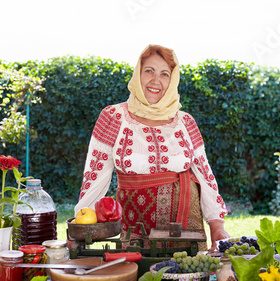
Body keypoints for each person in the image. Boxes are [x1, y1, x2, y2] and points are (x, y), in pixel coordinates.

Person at [74, 44, 230, 251]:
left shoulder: (186, 121)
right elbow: (94, 177)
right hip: (136, 228)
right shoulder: (113, 117)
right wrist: (78, 230)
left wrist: (217, 227)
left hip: (186, 227)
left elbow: (204, 175)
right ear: (137, 74)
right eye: (149, 71)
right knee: (138, 279)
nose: (156, 80)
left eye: (165, 74)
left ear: (172, 80)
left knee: (188, 280)